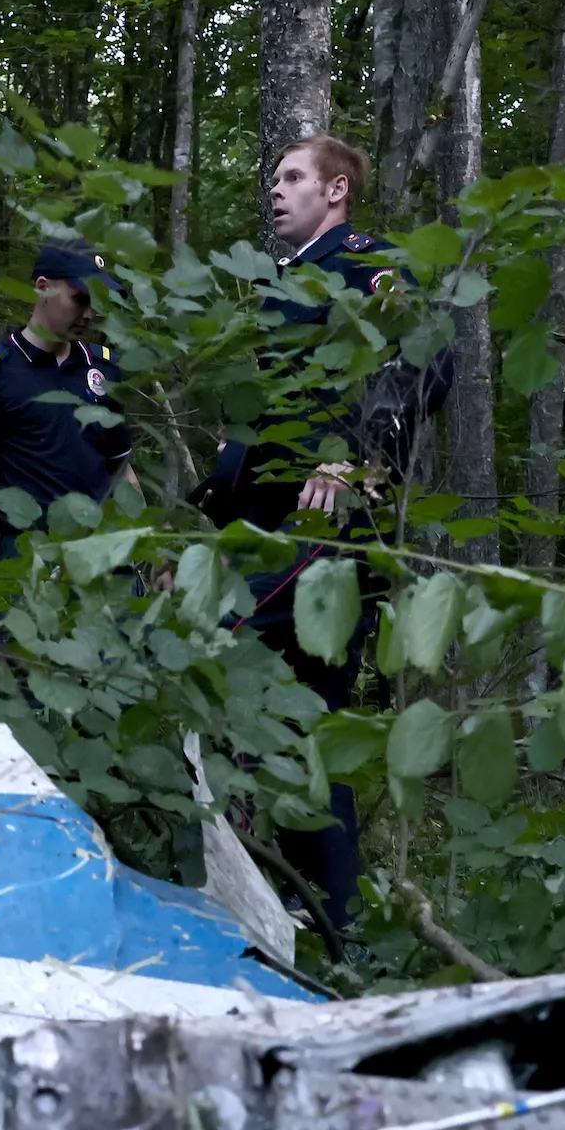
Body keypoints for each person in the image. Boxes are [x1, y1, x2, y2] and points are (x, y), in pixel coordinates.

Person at [203, 135, 403, 936]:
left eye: (291, 177)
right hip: (261, 522)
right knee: (305, 723)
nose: (275, 191)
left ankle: (281, 901)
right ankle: (330, 918)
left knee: (207, 644)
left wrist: (362, 460)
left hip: (320, 528)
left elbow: (421, 360)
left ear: (339, 188)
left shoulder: (363, 261)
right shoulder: (285, 283)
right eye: (274, 178)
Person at [0, 240, 131, 601]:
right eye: (81, 298)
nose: (90, 313)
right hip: (25, 554)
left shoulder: (103, 368)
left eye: (97, 302)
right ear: (43, 287)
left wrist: (141, 546)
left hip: (100, 556)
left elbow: (120, 468)